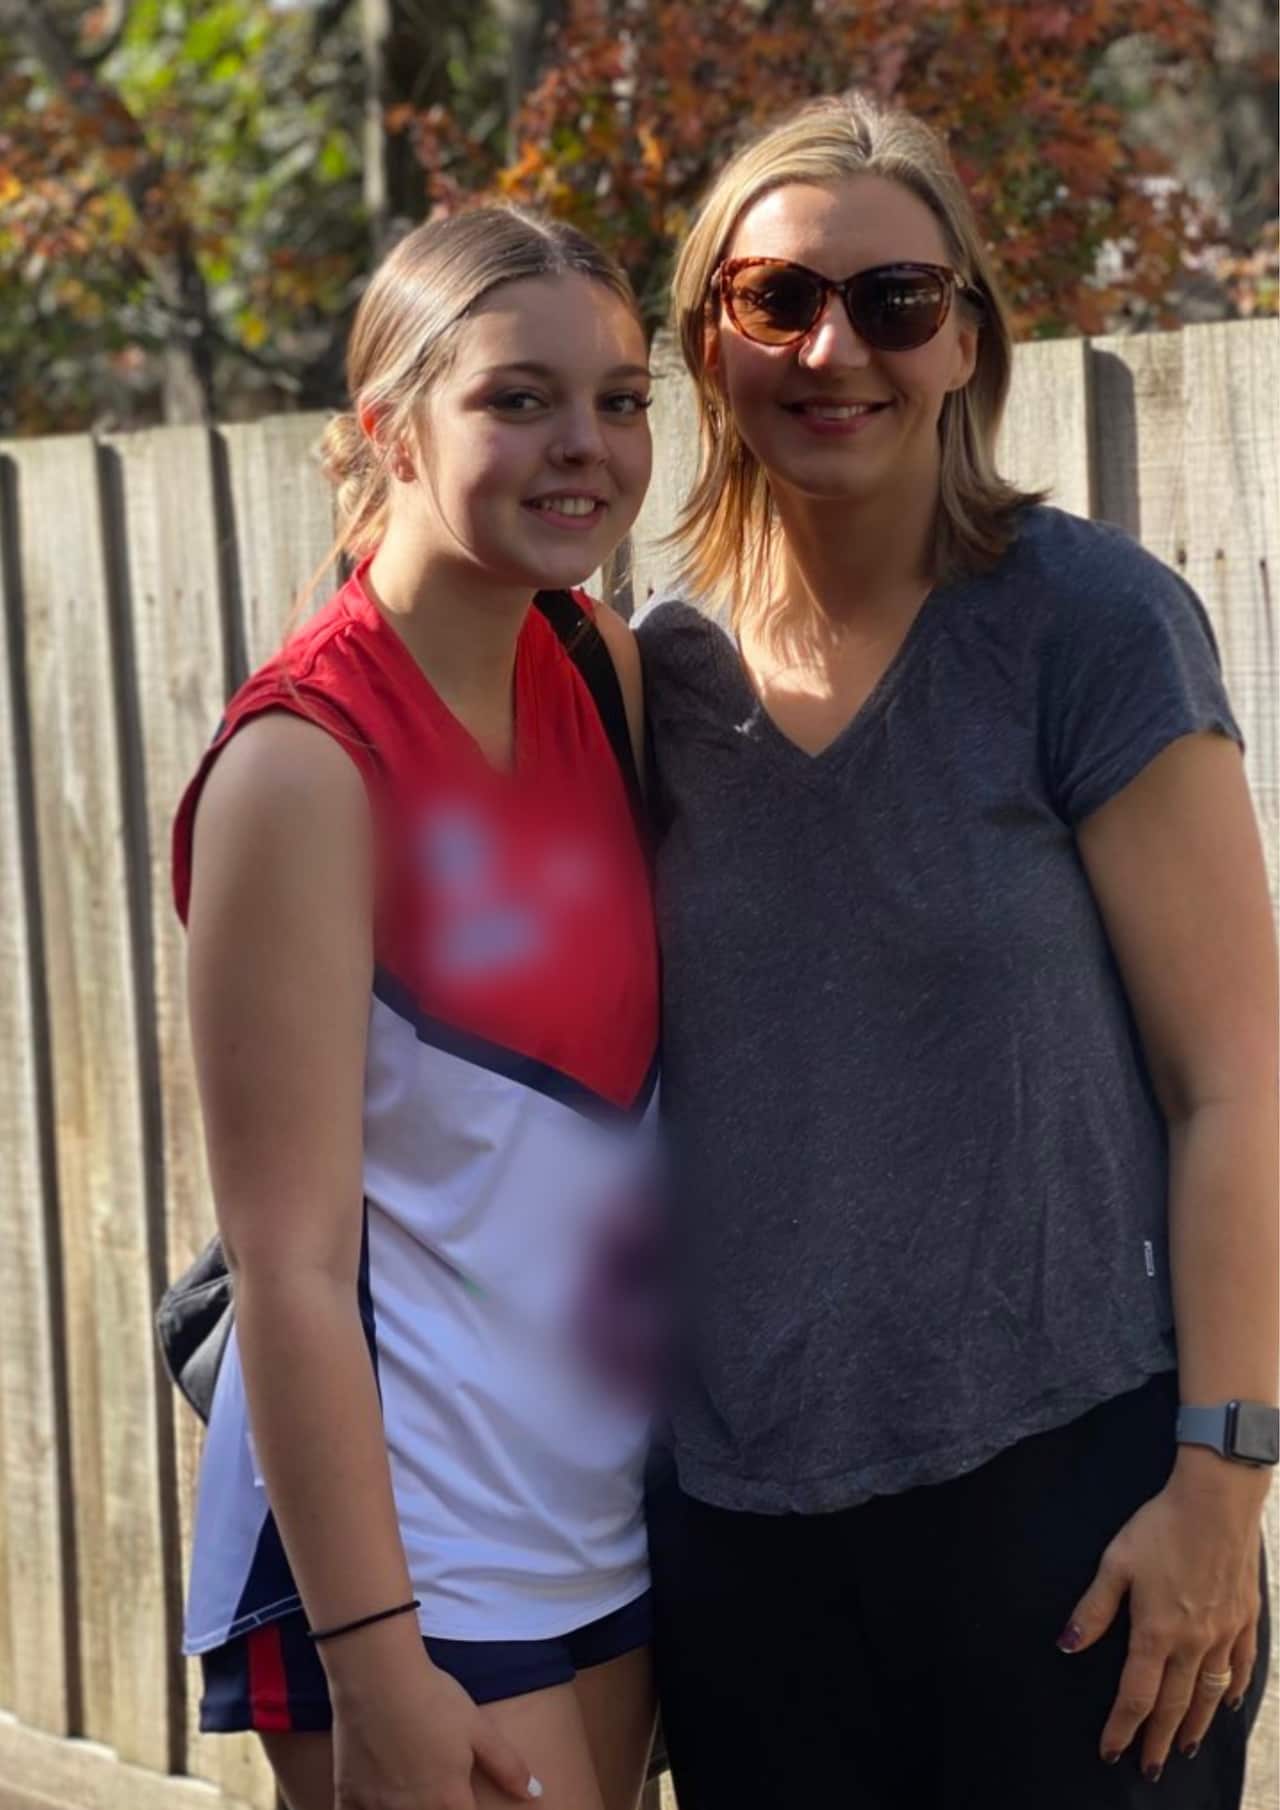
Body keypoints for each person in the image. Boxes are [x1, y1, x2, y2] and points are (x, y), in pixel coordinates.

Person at [637, 91, 1277, 1810]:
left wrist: (1222, 1488)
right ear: (710, 337)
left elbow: (1235, 1088)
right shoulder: (645, 682)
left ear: (969, 341)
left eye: (898, 301)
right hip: (743, 1545)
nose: (834, 346)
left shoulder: (1088, 626)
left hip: (1075, 1521)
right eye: (777, 299)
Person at [174, 206, 660, 1810]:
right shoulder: (301, 769)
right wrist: (380, 1662)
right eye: (517, 399)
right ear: (387, 429)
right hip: (415, 1569)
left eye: (620, 397)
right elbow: (290, 1267)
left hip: (606, 1522)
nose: (581, 444)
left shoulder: (601, 666)